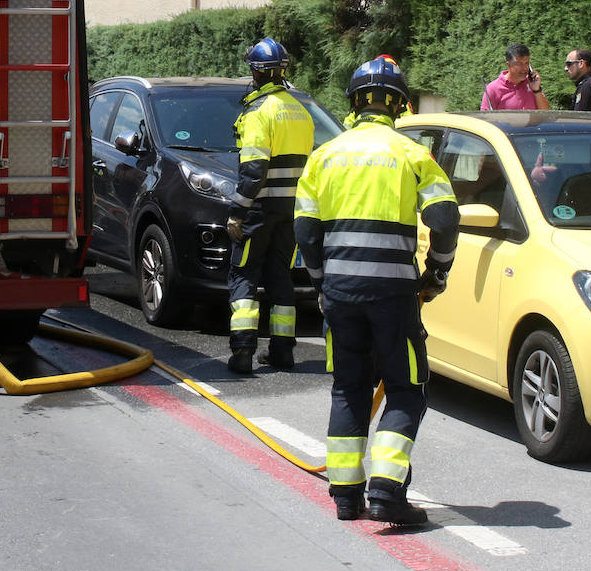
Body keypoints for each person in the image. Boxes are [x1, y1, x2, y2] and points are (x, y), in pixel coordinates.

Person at [295, 56, 459, 525]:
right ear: (400, 105)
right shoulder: (411, 155)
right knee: (407, 390)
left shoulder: (325, 156)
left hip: (341, 293)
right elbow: (445, 220)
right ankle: (387, 492)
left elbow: (305, 232)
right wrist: (437, 272)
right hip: (393, 295)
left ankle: (347, 498)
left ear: (353, 103)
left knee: (348, 390)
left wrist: (322, 283)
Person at [224, 37, 315, 375]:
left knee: (243, 273)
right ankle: (283, 351)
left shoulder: (260, 112)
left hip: (259, 209)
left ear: (257, 73)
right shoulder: (300, 111)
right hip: (290, 210)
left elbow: (253, 170)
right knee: (280, 276)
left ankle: (243, 352)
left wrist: (237, 212)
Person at [481, 43, 548, 111]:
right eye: (519, 64)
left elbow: (546, 113)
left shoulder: (532, 84)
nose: (524, 68)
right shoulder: (493, 89)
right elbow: (485, 119)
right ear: (509, 64)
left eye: (526, 63)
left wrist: (537, 90)